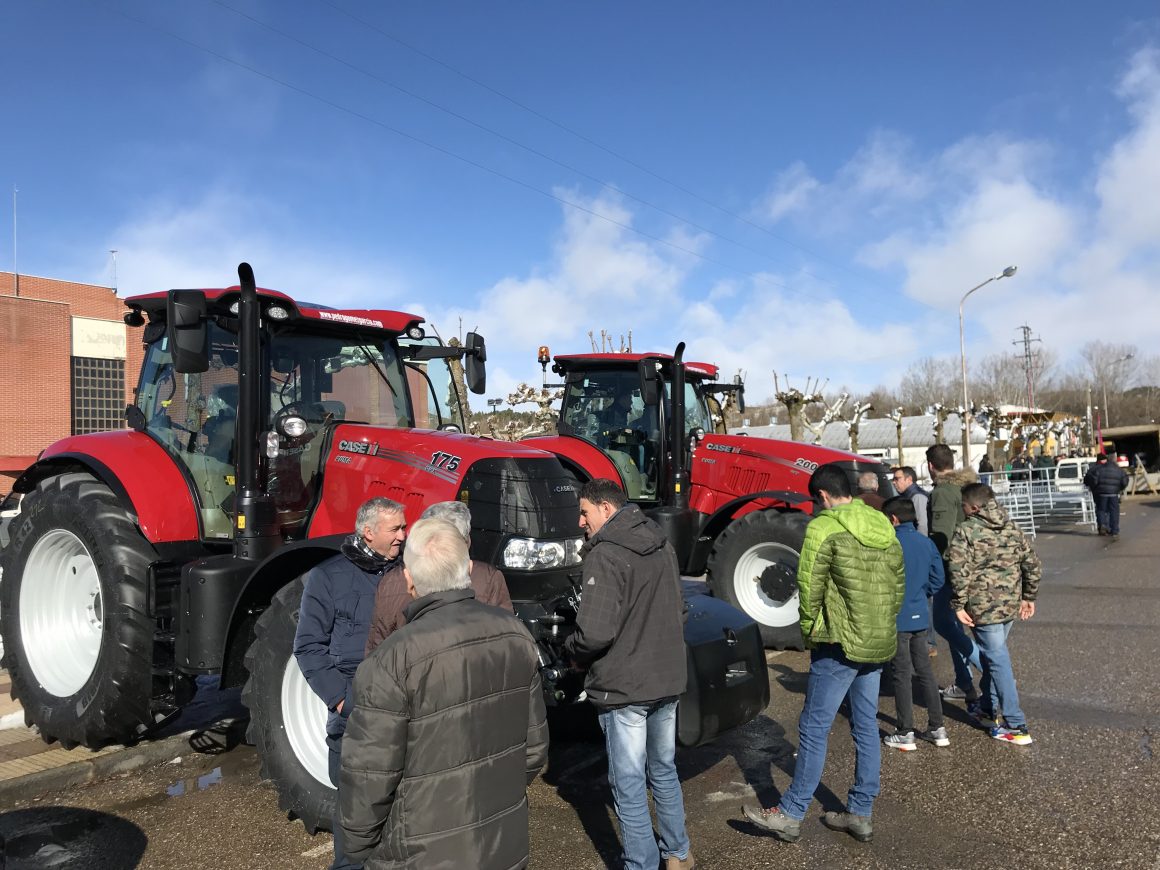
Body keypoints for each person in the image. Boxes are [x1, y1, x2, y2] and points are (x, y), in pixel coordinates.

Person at [338, 519, 549, 868]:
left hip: (420, 853)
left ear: (408, 579)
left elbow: (368, 776)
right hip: (501, 842)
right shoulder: (515, 635)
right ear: (467, 569)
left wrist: (359, 850)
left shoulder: (391, 658)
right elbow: (534, 749)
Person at [742, 463, 904, 844]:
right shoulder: (882, 523)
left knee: (814, 729)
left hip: (838, 642)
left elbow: (808, 584)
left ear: (823, 496)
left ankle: (791, 811)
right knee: (865, 726)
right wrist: (882, 624)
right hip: (877, 639)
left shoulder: (824, 526)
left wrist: (809, 630)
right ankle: (860, 812)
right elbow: (897, 581)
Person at [563, 478, 694, 870]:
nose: (580, 521)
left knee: (630, 783)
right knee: (664, 771)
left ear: (606, 509)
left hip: (625, 688)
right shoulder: (661, 543)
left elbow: (595, 632)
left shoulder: (605, 555)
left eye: (584, 512)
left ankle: (641, 863)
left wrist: (572, 652)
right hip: (666, 678)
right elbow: (680, 611)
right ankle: (678, 854)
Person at [294, 497, 407, 870]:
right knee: (355, 815)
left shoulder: (410, 573)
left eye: (404, 528)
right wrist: (342, 701)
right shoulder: (329, 577)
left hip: (403, 709)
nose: (403, 536)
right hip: (353, 715)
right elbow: (308, 646)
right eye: (396, 529)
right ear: (368, 531)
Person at [946, 483, 1041, 746]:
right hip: (1009, 605)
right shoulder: (1012, 527)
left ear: (974, 507)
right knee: (993, 657)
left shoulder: (966, 531)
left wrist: (958, 604)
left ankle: (1016, 724)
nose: (962, 511)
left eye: (963, 506)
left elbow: (958, 570)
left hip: (983, 608)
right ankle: (987, 708)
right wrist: (1029, 596)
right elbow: (1032, 563)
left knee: (998, 662)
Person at [364, 500, 513, 655]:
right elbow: (506, 640)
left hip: (409, 670)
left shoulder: (391, 580)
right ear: (463, 542)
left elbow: (377, 647)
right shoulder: (488, 578)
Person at [881, 497, 948, 751]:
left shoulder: (889, 544)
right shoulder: (926, 542)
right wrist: (921, 594)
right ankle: (937, 726)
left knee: (901, 674)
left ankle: (905, 730)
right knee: (925, 672)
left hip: (896, 617)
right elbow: (938, 578)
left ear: (893, 519)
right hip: (920, 613)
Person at [925, 444, 984, 703]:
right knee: (958, 625)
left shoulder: (943, 492)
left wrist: (933, 570)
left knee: (943, 623)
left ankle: (989, 670)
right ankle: (964, 682)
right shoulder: (969, 487)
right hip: (976, 565)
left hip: (952, 569)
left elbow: (941, 536)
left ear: (930, 466)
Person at [1083, 452, 1129, 540]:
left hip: (1101, 493)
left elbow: (1094, 480)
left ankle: (1103, 525)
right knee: (1114, 512)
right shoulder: (1119, 470)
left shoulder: (1099, 469)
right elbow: (1124, 480)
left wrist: (1095, 488)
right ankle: (1114, 530)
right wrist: (1119, 489)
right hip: (1114, 494)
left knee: (1101, 510)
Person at [891, 466, 930, 536]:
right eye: (893, 479)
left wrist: (920, 542)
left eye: (896, 479)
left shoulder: (917, 496)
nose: (893, 482)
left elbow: (922, 524)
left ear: (909, 479)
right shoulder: (907, 495)